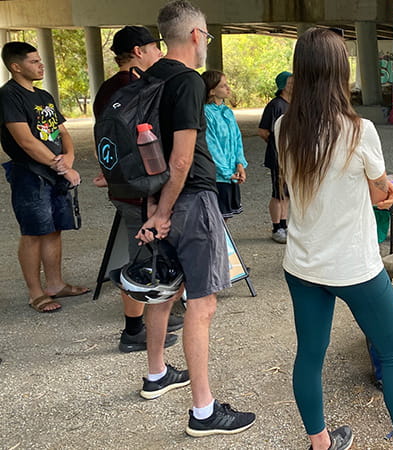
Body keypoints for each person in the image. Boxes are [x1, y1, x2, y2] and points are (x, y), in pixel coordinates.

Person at [276, 27, 393, 450]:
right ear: (340, 73)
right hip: (355, 266)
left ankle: (321, 443)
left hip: (303, 264)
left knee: (309, 357)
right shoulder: (359, 130)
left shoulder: (283, 127)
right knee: (392, 355)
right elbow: (380, 192)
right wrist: (387, 196)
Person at [136, 0, 255, 436]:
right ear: (193, 36)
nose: (205, 44)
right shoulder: (186, 81)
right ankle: (204, 412)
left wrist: (152, 208)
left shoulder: (147, 78)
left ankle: (155, 374)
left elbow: (145, 152)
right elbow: (181, 159)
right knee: (201, 304)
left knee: (163, 291)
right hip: (189, 202)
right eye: (205, 36)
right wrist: (165, 211)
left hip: (154, 201)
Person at [93, 25, 183, 354]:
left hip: (124, 185)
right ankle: (133, 331)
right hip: (139, 189)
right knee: (142, 258)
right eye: (155, 47)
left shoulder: (109, 88)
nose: (160, 53)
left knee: (148, 252)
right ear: (138, 51)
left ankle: (154, 314)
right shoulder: (135, 87)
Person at [0, 41, 89, 313]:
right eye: (34, 61)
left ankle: (55, 284)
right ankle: (35, 293)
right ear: (16, 66)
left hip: (55, 171)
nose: (41, 65)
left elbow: (62, 133)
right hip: (29, 173)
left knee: (54, 229)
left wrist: (69, 158)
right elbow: (25, 141)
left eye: (40, 60)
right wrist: (61, 166)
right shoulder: (9, 96)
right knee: (33, 233)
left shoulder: (44, 96)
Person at [202, 70, 247, 221]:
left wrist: (240, 164)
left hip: (231, 173)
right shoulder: (206, 113)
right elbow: (211, 146)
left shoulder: (227, 111)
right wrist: (226, 172)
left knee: (225, 218)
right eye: (223, 86)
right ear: (212, 91)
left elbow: (237, 140)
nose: (228, 88)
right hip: (218, 176)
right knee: (216, 218)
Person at [257, 71, 292, 243]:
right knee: (278, 192)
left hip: (290, 156)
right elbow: (263, 131)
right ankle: (276, 227)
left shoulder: (292, 104)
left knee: (287, 192)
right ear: (284, 85)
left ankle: (284, 224)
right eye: (292, 82)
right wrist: (275, 145)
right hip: (278, 156)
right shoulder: (275, 105)